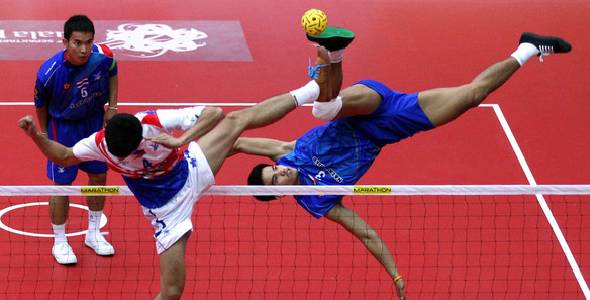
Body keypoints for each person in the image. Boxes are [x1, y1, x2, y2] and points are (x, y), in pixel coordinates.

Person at [233, 31, 572, 300]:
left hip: (362, 107)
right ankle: (526, 49)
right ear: (279, 194)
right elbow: (366, 232)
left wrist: (196, 159)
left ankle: (332, 54)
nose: (281, 172)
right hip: (392, 122)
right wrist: (394, 273)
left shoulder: (285, 153)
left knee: (326, 110)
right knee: (471, 96)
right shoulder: (317, 199)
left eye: (274, 169)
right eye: (276, 179)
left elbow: (235, 140)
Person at [19, 32, 353, 299]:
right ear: (113, 152)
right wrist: (36, 135)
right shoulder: (98, 145)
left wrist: (181, 140)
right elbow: (63, 156)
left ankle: (313, 88)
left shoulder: (150, 121)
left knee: (237, 120)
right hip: (166, 210)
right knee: (172, 292)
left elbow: (214, 113)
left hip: (190, 168)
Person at [34, 15, 119, 264]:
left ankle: (93, 233)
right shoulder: (50, 72)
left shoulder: (103, 55)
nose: (84, 49)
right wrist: (44, 134)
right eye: (78, 42)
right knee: (63, 185)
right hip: (64, 129)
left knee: (99, 177)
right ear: (65, 42)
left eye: (88, 42)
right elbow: (40, 104)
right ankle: (60, 241)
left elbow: (113, 71)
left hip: (93, 123)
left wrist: (112, 107)